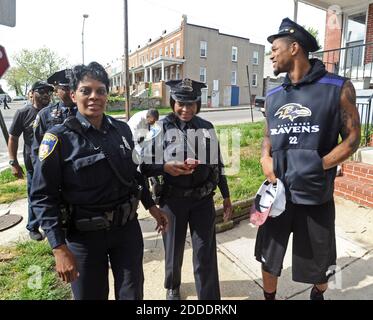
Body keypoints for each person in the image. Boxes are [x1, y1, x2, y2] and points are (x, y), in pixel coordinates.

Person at [30, 62, 168, 300]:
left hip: (126, 231)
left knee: (132, 294)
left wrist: (152, 206)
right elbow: (42, 196)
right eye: (86, 91)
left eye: (101, 90)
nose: (94, 96)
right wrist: (58, 248)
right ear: (74, 95)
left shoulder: (122, 130)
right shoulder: (58, 139)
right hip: (84, 238)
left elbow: (133, 174)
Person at [256, 18, 361, 300]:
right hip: (277, 194)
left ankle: (317, 293)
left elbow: (352, 139)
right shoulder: (274, 93)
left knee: (320, 265)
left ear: (294, 48)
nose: (271, 55)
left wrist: (319, 165)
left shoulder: (337, 87)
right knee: (269, 258)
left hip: (315, 195)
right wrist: (265, 157)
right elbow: (269, 134)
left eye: (275, 49)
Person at [140, 78, 233, 300]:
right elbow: (143, 166)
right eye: (180, 103)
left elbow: (217, 165)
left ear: (197, 104)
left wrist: (226, 196)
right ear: (173, 103)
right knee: (173, 249)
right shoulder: (160, 128)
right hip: (173, 201)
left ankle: (209, 298)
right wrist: (165, 167)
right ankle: (172, 286)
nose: (185, 109)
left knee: (205, 252)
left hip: (203, 201)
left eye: (191, 103)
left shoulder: (206, 127)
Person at [8, 80, 54, 241]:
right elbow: (13, 138)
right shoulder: (23, 113)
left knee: (53, 193)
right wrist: (13, 162)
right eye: (42, 91)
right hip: (33, 163)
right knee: (35, 194)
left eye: (49, 92)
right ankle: (33, 226)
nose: (46, 95)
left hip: (53, 161)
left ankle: (51, 225)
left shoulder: (53, 113)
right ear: (32, 93)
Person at [32, 69, 77, 154]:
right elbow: (37, 148)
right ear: (56, 91)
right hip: (55, 164)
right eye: (66, 88)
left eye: (73, 87)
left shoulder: (87, 112)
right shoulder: (44, 115)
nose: (71, 92)